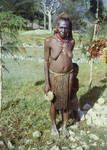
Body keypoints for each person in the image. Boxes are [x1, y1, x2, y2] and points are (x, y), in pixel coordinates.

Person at [44, 13, 75, 137]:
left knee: (67, 102)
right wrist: (47, 83)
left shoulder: (71, 42)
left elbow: (69, 59)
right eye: (61, 27)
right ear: (56, 27)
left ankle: (64, 126)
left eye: (66, 28)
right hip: (54, 77)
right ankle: (53, 126)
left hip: (69, 76)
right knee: (54, 103)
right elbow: (46, 62)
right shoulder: (49, 41)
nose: (64, 30)